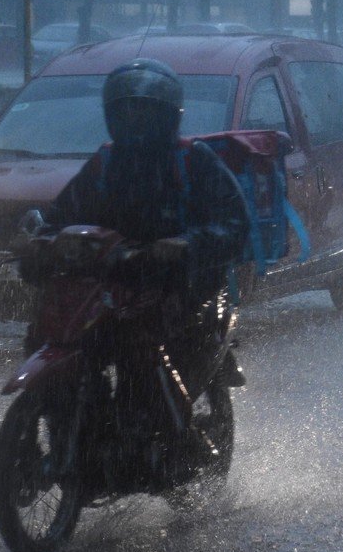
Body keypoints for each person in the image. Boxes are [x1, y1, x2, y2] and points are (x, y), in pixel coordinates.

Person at [40, 58, 251, 454]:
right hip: (115, 284)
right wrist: (43, 239)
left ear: (167, 116)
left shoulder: (194, 161)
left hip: (186, 286)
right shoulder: (104, 164)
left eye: (144, 111)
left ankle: (171, 437)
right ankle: (70, 423)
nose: (134, 120)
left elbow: (236, 225)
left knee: (139, 342)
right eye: (126, 110)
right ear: (112, 115)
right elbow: (61, 214)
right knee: (52, 331)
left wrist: (189, 244)